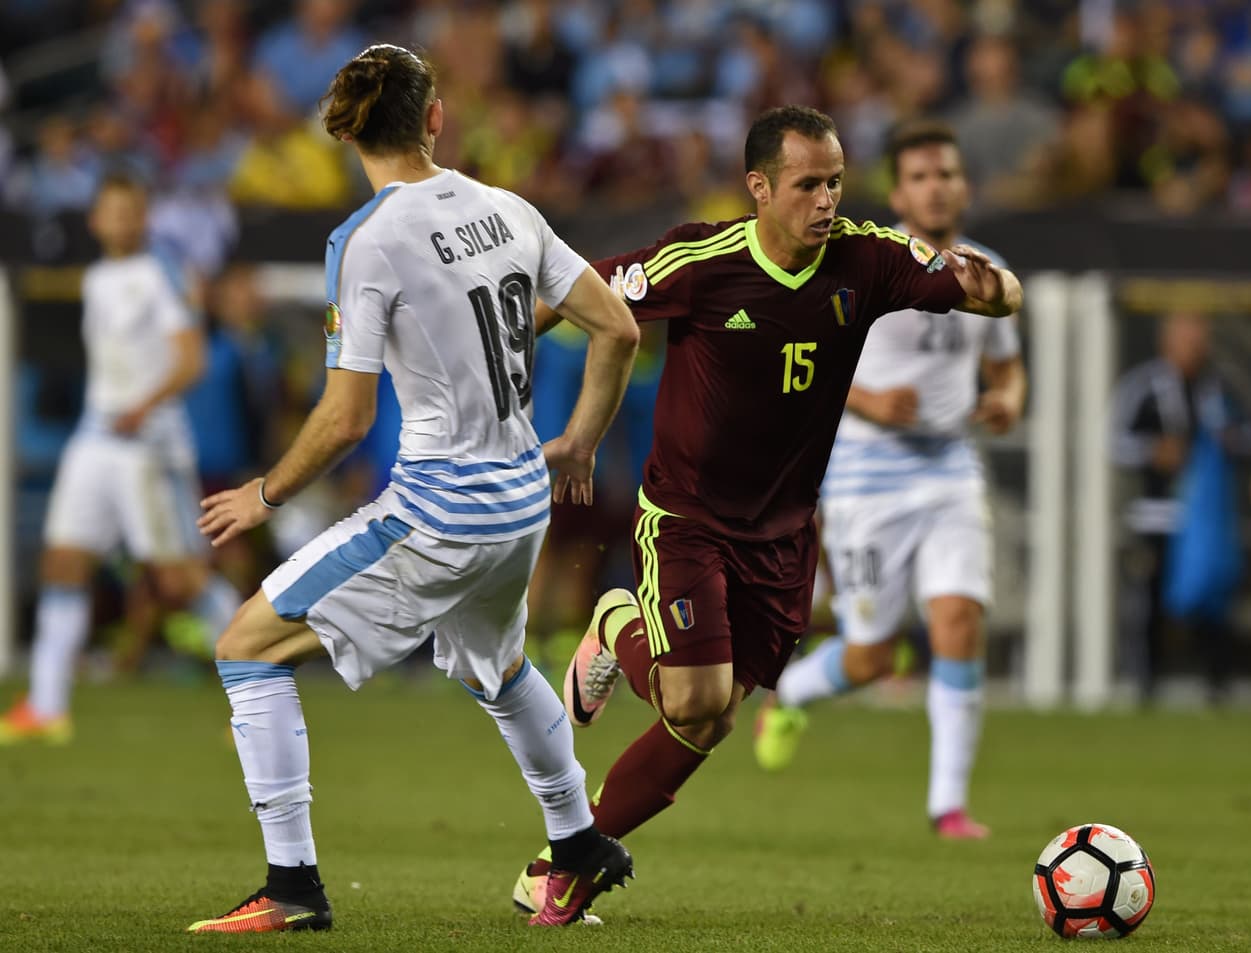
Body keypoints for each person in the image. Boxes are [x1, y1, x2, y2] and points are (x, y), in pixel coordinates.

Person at [512, 105, 1023, 914]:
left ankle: (567, 823)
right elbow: (573, 292)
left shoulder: (870, 259)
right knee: (694, 699)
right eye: (807, 185)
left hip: (784, 534)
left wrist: (996, 291)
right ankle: (568, 862)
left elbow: (990, 295)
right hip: (686, 517)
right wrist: (499, 353)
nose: (826, 200)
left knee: (708, 721)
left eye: (836, 183)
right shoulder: (702, 260)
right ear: (759, 187)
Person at [185, 45, 639, 934]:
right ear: (435, 119)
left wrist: (265, 496)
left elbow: (347, 416)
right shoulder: (508, 209)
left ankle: (291, 887)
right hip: (520, 499)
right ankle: (580, 843)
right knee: (500, 669)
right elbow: (615, 327)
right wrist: (579, 441)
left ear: (349, 132)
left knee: (245, 646)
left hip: (441, 508)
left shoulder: (365, 240)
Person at [753, 121, 1027, 840]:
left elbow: (1005, 364)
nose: (937, 187)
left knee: (958, 622)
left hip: (950, 469)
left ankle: (948, 807)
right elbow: (802, 359)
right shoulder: (867, 264)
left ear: (963, 185)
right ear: (900, 191)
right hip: (866, 477)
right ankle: (788, 696)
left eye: (948, 174)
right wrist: (870, 400)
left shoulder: (982, 268)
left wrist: (1009, 399)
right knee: (872, 656)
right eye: (922, 176)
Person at [0, 173, 242, 744]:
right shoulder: (98, 277)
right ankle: (46, 706)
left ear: (143, 219)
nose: (123, 222)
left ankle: (258, 690)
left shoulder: (159, 273)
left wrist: (143, 406)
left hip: (147, 445)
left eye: (133, 212)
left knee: (179, 581)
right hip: (95, 437)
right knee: (62, 562)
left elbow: (191, 360)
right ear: (95, 220)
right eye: (114, 212)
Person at [1110, 313, 1251, 703]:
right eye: (1186, 338)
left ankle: (1217, 683)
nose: (1194, 347)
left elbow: (1250, 436)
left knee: (1213, 596)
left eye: (1199, 339)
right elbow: (1114, 442)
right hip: (1157, 514)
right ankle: (1147, 683)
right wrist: (1153, 450)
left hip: (1207, 518)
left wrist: (1228, 442)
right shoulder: (1144, 387)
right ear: (1167, 342)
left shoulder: (1220, 386)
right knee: (1152, 598)